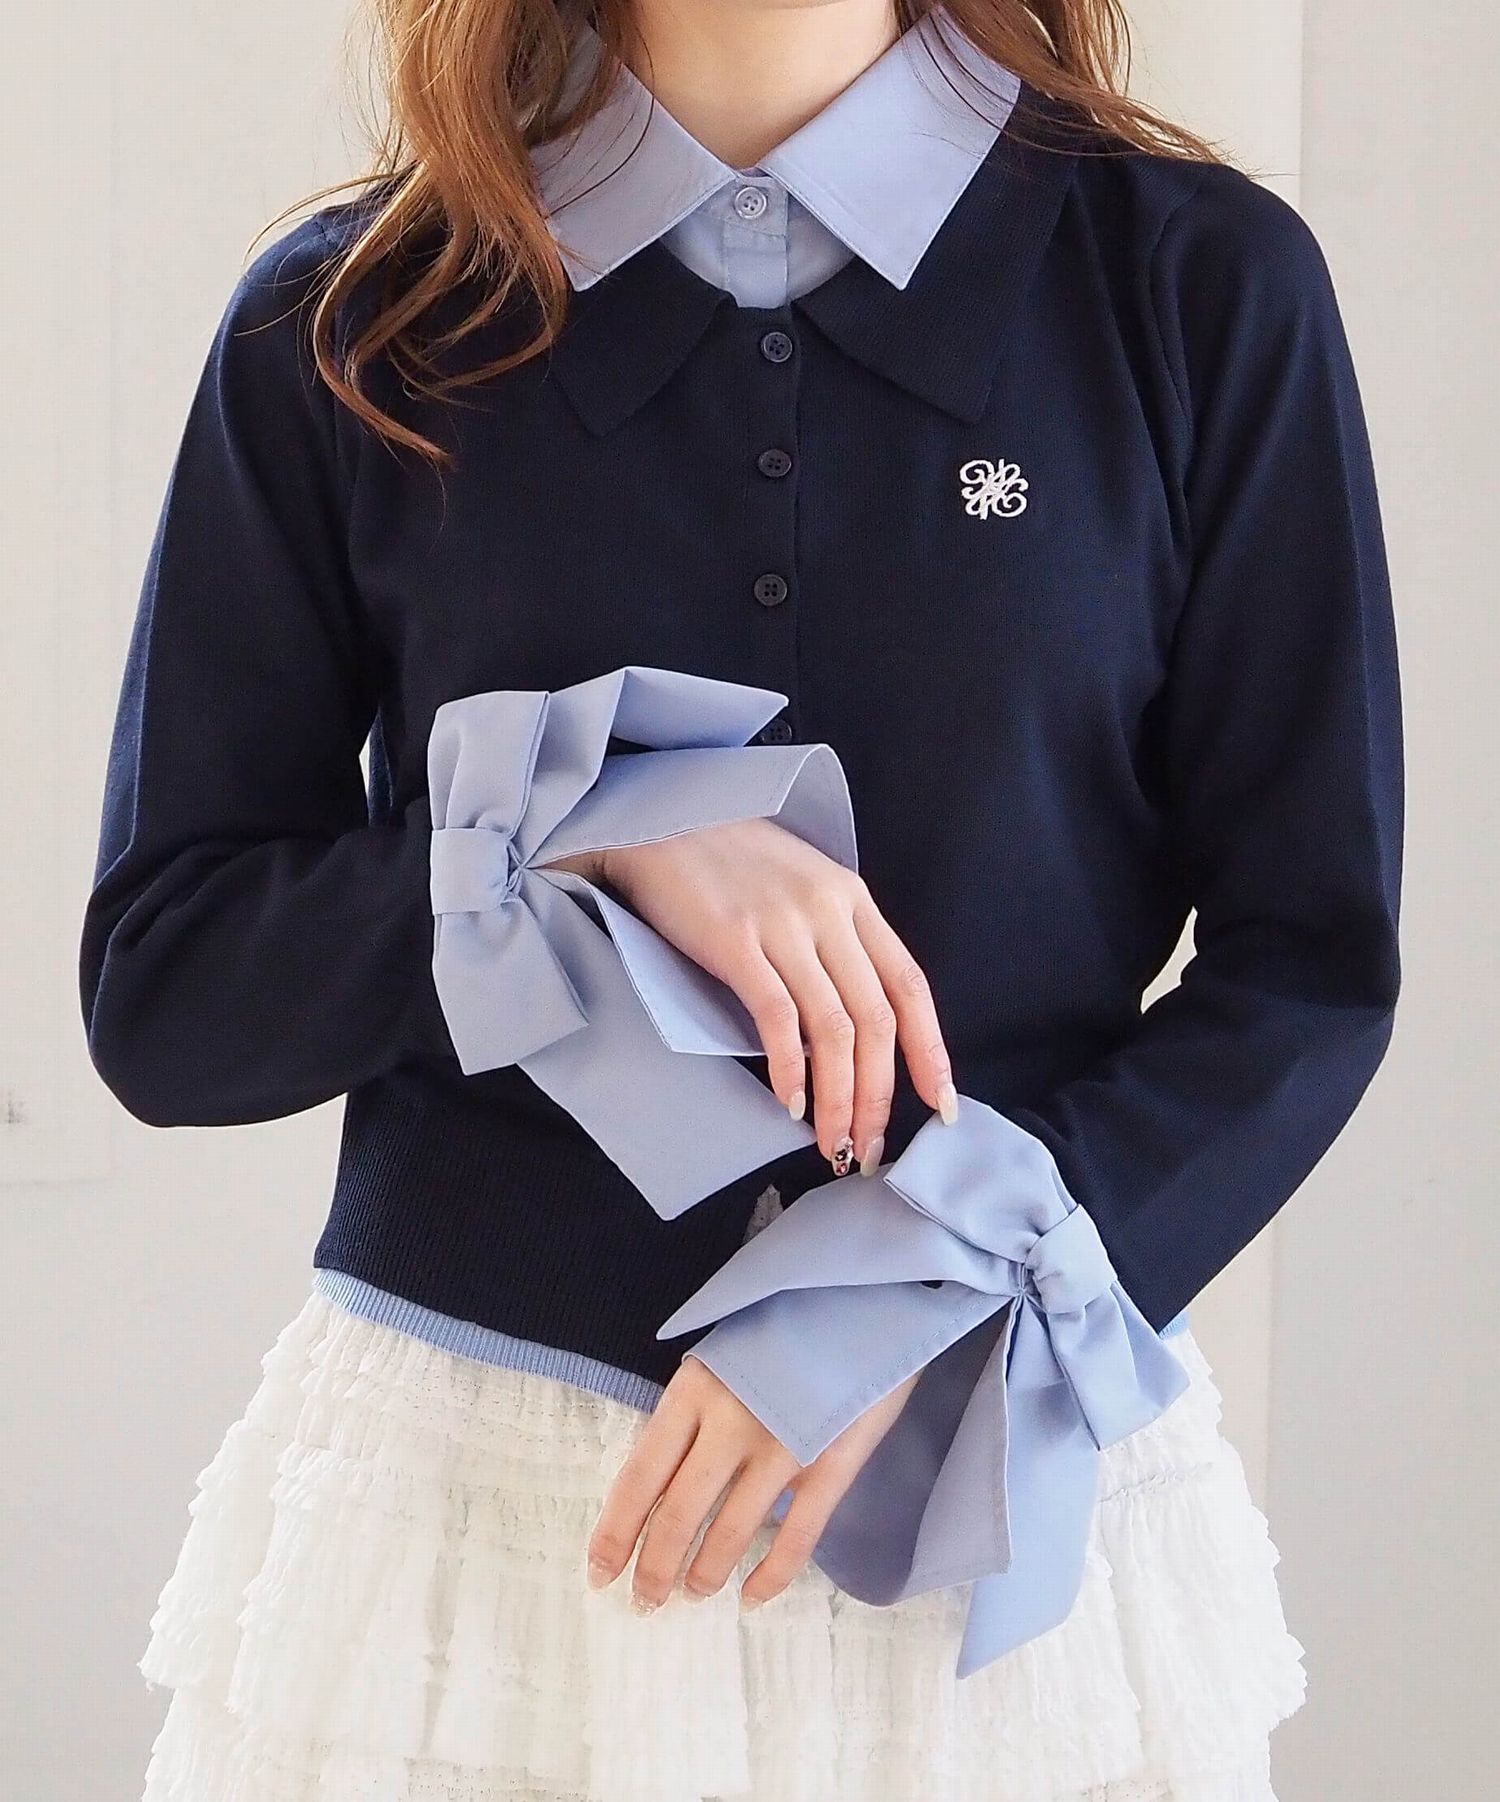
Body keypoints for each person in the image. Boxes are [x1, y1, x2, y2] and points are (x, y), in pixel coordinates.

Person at [81, 1, 1403, 1797]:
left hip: (987, 1494)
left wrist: (938, 1263)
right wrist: (566, 850)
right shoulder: (351, 323)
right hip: (465, 1568)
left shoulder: (1199, 285)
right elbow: (168, 989)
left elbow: (1310, 967)